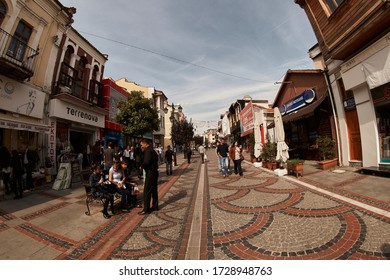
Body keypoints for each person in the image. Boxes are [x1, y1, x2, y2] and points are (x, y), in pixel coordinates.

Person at [138, 138, 159, 215]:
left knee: (146, 191)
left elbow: (146, 162)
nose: (141, 146)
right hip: (154, 172)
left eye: (141, 144)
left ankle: (146, 209)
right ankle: (155, 206)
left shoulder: (147, 151)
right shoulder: (153, 151)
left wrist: (142, 166)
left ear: (145, 143)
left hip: (150, 172)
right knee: (154, 190)